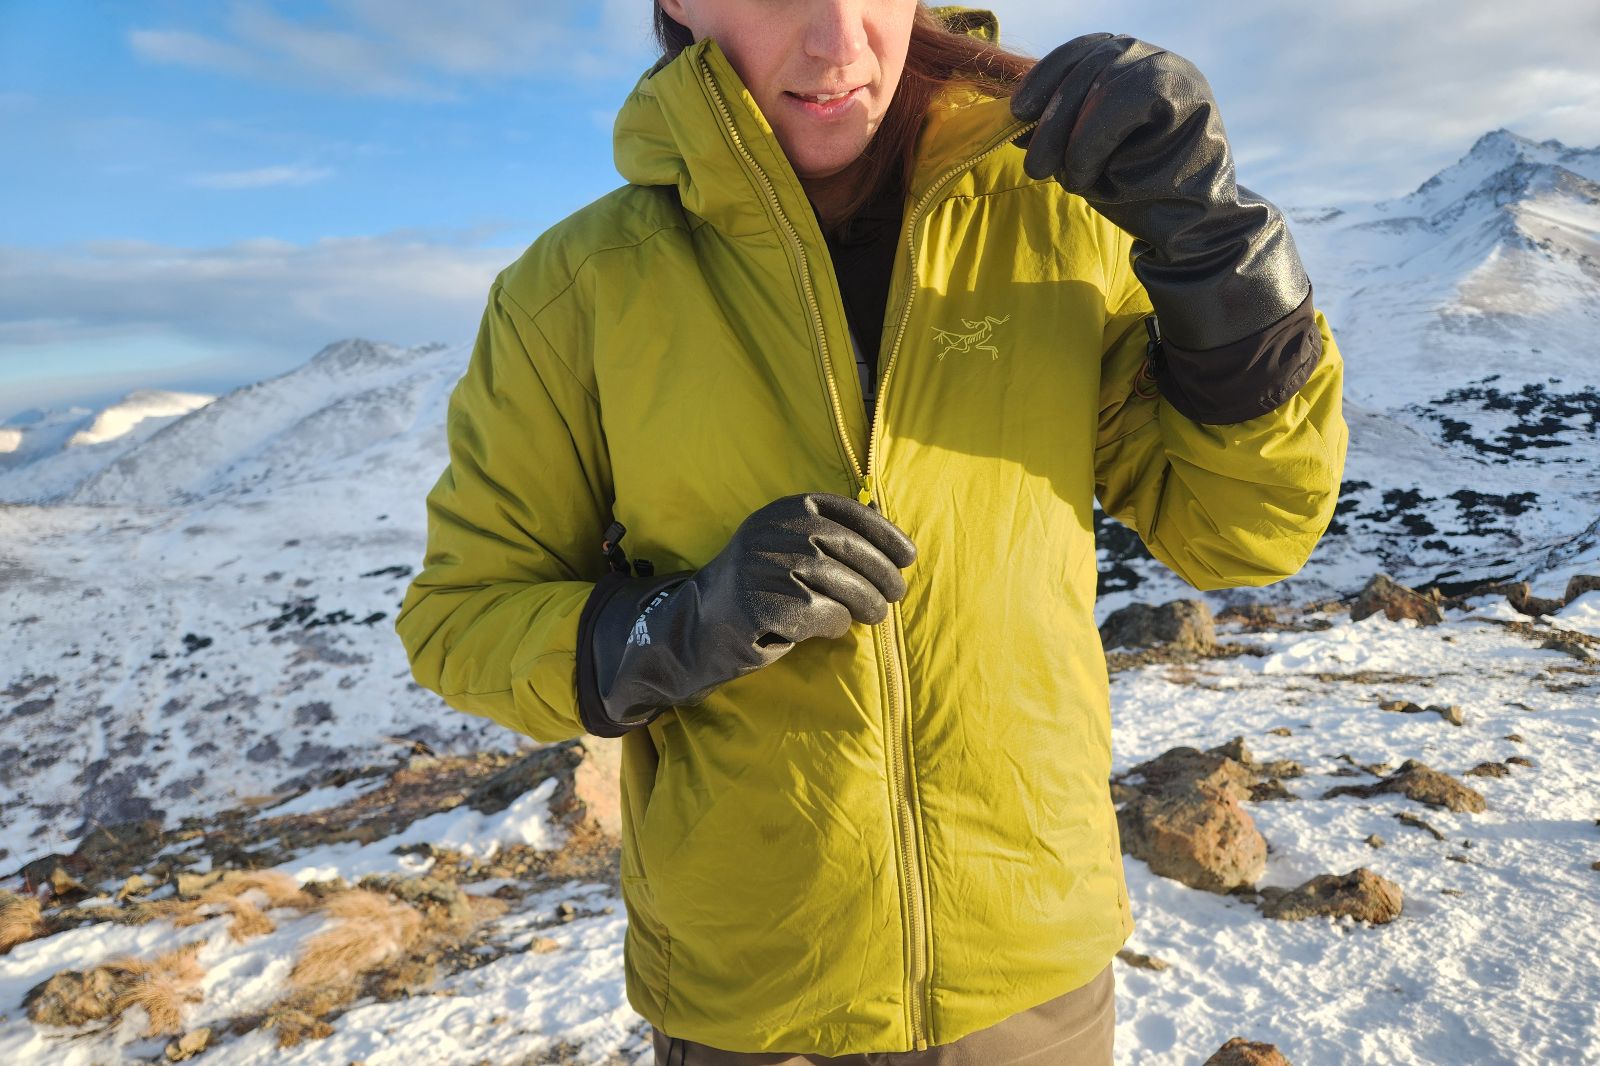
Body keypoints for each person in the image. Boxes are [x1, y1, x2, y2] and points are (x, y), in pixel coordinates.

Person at [396, 2, 1348, 1062]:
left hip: (1032, 980)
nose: (837, 44)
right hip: (755, 1001)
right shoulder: (576, 292)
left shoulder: (1058, 221)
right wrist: (679, 626)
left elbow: (1245, 531)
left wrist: (1222, 249)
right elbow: (461, 618)